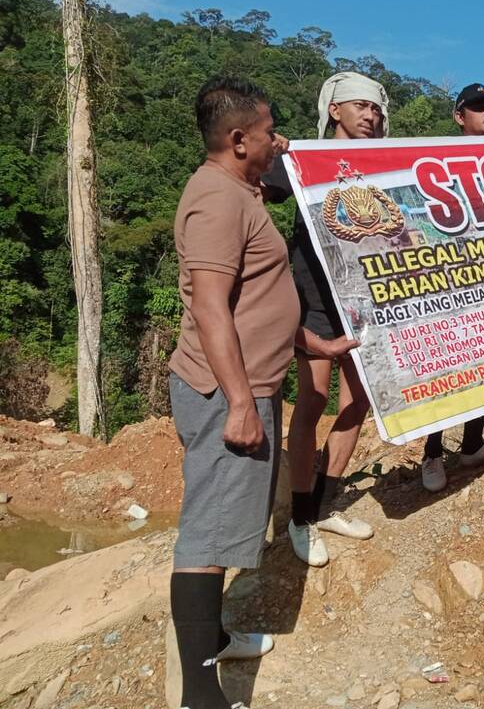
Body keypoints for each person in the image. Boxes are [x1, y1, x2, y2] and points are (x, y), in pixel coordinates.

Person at [168, 76, 358, 709]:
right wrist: (244, 402)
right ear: (238, 137)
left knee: (224, 527)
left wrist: (314, 345)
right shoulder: (217, 200)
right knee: (208, 538)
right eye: (270, 129)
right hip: (229, 390)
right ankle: (202, 694)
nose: (279, 140)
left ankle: (217, 635)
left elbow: (258, 302)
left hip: (248, 383)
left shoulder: (242, 193)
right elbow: (213, 311)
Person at [262, 72, 388, 567]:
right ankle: (298, 519)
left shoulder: (379, 163)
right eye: (359, 106)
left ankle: (323, 504)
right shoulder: (302, 158)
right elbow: (257, 189)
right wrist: (277, 152)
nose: (370, 115)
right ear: (335, 111)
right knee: (312, 402)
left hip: (362, 303)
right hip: (312, 301)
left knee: (358, 402)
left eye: (375, 109)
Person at [420, 83, 484, 492]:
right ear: (460, 117)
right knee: (450, 367)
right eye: (479, 109)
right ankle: (431, 452)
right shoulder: (436, 156)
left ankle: (473, 445)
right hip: (452, 279)